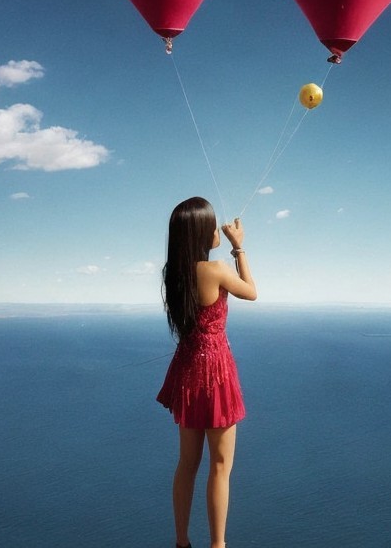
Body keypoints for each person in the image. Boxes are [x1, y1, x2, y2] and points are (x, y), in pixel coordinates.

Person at [156, 197, 258, 548]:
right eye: (213, 226)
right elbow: (252, 293)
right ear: (200, 232)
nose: (217, 230)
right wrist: (239, 248)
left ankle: (181, 541)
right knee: (220, 465)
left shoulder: (174, 273)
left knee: (187, 463)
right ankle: (218, 545)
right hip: (215, 371)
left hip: (187, 368)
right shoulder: (214, 271)